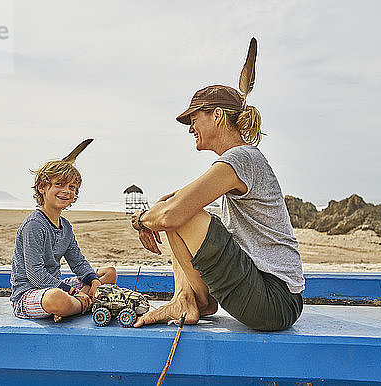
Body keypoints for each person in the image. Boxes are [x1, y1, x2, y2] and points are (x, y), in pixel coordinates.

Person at [131, 85, 305, 331]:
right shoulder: (242, 158)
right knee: (176, 210)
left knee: (179, 215)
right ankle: (188, 300)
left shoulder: (240, 158)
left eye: (194, 119)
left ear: (218, 115)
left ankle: (188, 300)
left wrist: (140, 221)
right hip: (273, 298)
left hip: (274, 301)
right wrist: (155, 215)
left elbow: (171, 214)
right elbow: (172, 201)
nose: (191, 128)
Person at [10, 158, 117, 322]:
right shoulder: (34, 225)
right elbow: (36, 275)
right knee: (56, 298)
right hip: (30, 293)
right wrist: (74, 292)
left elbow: (78, 262)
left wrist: (93, 281)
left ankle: (74, 306)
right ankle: (81, 304)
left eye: (72, 187)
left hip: (56, 285)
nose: (67, 191)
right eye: (59, 184)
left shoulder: (65, 226)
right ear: (42, 187)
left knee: (109, 273)